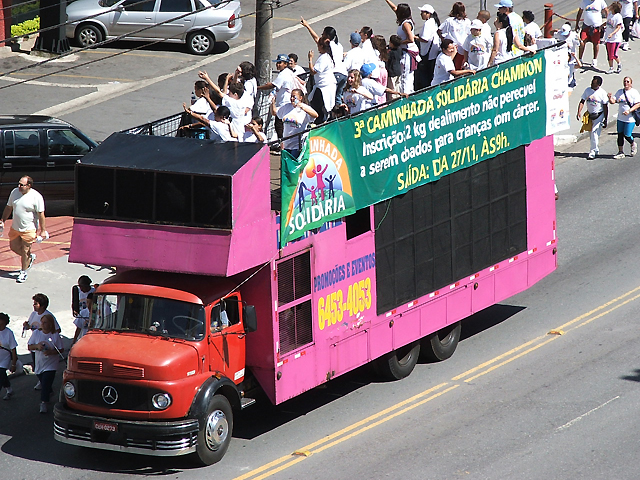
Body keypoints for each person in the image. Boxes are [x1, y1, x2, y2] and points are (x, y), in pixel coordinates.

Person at [0, 175, 48, 283]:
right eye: (19, 184)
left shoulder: (36, 196)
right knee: (14, 247)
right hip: (15, 227)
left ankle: (23, 272)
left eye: (22, 185)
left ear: (29, 185)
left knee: (25, 250)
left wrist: (43, 230)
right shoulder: (14, 192)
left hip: (29, 228)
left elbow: (41, 215)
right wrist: (3, 220)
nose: (19, 186)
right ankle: (29, 258)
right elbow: (9, 207)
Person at [300, 19, 348, 105]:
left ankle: (334, 116)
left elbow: (316, 39)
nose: (321, 35)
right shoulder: (338, 45)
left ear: (327, 37)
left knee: (332, 100)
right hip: (344, 74)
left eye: (323, 34)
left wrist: (307, 26)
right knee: (338, 98)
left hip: (336, 74)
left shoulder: (328, 45)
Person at [257, 54, 297, 145]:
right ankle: (284, 144)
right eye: (277, 63)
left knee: (279, 126)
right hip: (286, 103)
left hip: (283, 103)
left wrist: (258, 87)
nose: (278, 65)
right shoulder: (288, 72)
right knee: (284, 126)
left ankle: (282, 146)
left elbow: (272, 85)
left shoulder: (284, 74)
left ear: (286, 64)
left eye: (280, 63)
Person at [28, 314, 64, 413]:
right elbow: (30, 346)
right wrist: (36, 346)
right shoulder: (36, 334)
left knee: (46, 380)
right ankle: (50, 391)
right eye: (42, 322)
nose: (43, 324)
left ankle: (44, 402)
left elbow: (61, 349)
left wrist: (51, 352)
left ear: (50, 324)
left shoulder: (55, 335)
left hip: (51, 363)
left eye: (45, 322)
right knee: (42, 379)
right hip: (40, 362)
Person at [199, 71, 251, 139]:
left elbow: (219, 92)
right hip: (240, 132)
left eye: (230, 93)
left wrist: (207, 78)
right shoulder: (241, 102)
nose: (228, 94)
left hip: (232, 133)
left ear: (235, 94)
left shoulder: (232, 102)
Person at [383, 0, 420, 94]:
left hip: (408, 52)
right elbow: (394, 8)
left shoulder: (406, 24)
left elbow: (411, 39)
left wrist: (398, 43)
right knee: (407, 76)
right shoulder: (405, 20)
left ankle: (406, 95)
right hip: (406, 50)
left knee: (405, 77)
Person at [274, 89, 318, 158]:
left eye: (294, 97)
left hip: (297, 144)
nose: (292, 98)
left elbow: (315, 115)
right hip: (286, 143)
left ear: (300, 98)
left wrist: (302, 107)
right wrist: (272, 102)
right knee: (285, 166)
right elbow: (275, 113)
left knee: (293, 164)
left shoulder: (304, 107)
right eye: (291, 96)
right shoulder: (286, 107)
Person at [576, 75, 609, 159]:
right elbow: (582, 101)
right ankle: (596, 148)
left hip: (599, 115)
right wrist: (579, 112)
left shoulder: (602, 93)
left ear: (598, 85)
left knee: (594, 132)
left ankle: (592, 151)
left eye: (593, 83)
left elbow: (605, 106)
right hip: (590, 115)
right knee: (592, 133)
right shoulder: (587, 90)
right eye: (591, 82)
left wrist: (605, 119)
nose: (591, 84)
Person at [608, 76, 640, 158]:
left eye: (628, 81)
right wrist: (610, 98)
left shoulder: (634, 92)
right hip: (621, 118)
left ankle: (633, 143)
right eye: (625, 81)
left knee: (627, 134)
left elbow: (638, 104)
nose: (626, 83)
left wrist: (629, 111)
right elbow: (613, 101)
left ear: (631, 84)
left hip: (630, 118)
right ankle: (620, 152)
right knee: (620, 134)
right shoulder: (620, 92)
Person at [308, 37, 337, 123]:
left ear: (321, 46)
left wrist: (310, 59)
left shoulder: (324, 58)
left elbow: (313, 71)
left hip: (323, 87)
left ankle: (320, 123)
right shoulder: (327, 55)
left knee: (319, 108)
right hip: (326, 85)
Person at [576, 0, 609, 68]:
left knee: (596, 43)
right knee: (582, 42)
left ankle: (594, 60)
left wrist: (607, 22)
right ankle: (580, 59)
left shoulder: (600, 1)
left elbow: (606, 11)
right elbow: (580, 12)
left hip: (596, 26)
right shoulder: (584, 2)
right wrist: (577, 24)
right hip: (586, 25)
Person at [438, 1, 471, 69]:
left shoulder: (449, 20)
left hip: (452, 47)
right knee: (458, 66)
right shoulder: (467, 21)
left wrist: (443, 40)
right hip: (462, 47)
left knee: (449, 65)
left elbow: (439, 30)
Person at [416, 4, 441, 90]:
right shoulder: (434, 21)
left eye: (422, 12)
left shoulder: (428, 23)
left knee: (425, 74)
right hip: (433, 52)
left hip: (427, 52)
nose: (421, 14)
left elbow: (425, 39)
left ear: (428, 13)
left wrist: (414, 37)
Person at [555, 23, 582, 88]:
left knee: (571, 71)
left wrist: (576, 57)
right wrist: (553, 31)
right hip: (562, 57)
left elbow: (580, 44)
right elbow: (551, 34)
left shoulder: (574, 36)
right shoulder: (560, 33)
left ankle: (572, 81)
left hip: (571, 58)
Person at [0, 312, 18, 401]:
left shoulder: (9, 333)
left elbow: (13, 349)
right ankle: (9, 389)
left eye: (1, 324)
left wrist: (13, 363)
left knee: (1, 373)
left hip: (5, 358)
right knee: (2, 376)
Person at [604, 2, 624, 73]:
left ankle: (619, 64)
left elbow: (618, 27)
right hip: (608, 38)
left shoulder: (618, 16)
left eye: (612, 6)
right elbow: (608, 22)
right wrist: (601, 26)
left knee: (614, 54)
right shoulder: (610, 14)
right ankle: (611, 68)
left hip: (615, 39)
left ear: (614, 8)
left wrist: (612, 34)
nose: (610, 7)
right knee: (609, 54)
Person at [371, 35, 390, 103]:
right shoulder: (383, 51)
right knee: (383, 88)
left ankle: (379, 104)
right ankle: (383, 102)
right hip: (384, 71)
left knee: (378, 89)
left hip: (378, 71)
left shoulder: (375, 52)